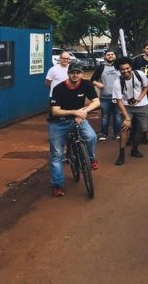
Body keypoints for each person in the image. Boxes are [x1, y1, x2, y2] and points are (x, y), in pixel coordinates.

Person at [48, 63, 100, 197]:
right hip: (58, 122)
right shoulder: (59, 88)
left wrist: (83, 112)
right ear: (68, 73)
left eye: (78, 72)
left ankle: (90, 158)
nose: (75, 75)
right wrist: (74, 112)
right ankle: (57, 185)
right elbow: (55, 111)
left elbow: (96, 102)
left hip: (78, 119)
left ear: (82, 74)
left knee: (91, 137)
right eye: (72, 72)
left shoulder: (86, 85)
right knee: (57, 154)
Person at [112, 56, 148, 165]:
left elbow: (146, 87)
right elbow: (119, 101)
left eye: (127, 68)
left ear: (131, 67)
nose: (126, 71)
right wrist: (127, 118)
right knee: (124, 128)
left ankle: (135, 148)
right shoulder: (117, 82)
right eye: (122, 69)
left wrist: (139, 98)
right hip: (126, 106)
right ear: (119, 70)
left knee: (142, 129)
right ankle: (121, 153)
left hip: (142, 105)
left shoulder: (139, 74)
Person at [90, 49, 121, 141]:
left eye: (112, 54)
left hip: (118, 96)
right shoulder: (101, 67)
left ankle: (117, 133)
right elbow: (92, 80)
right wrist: (98, 84)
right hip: (105, 97)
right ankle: (104, 133)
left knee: (117, 116)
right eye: (108, 54)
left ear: (115, 56)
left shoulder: (119, 67)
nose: (110, 56)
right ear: (105, 56)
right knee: (105, 116)